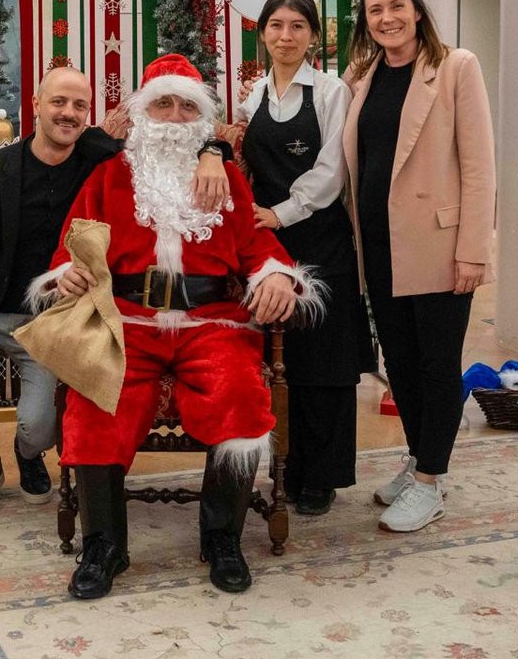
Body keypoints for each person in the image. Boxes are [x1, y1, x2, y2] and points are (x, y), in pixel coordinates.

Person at [33, 54, 321, 598]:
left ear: (201, 118)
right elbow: (72, 247)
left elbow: (259, 247)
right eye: (161, 103)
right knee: (98, 400)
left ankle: (221, 539)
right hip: (128, 321)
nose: (172, 115)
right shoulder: (109, 174)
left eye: (185, 105)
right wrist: (68, 275)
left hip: (212, 322)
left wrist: (277, 277)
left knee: (239, 393)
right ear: (143, 112)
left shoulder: (227, 177)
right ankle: (104, 546)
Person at [0, 65, 232, 521]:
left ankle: (29, 455)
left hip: (55, 316)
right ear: (36, 107)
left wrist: (213, 150)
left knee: (39, 425)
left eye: (79, 106)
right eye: (58, 103)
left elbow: (167, 141)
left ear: (89, 113)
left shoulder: (100, 158)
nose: (68, 113)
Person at [342, 0, 496, 534]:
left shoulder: (456, 67)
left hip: (438, 242)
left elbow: (479, 168)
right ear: (366, 21)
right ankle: (417, 456)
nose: (387, 18)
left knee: (436, 364)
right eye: (375, 10)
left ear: (417, 9)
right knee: (399, 363)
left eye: (396, 6)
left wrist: (473, 250)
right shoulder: (363, 74)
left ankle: (433, 479)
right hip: (379, 246)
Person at [238, 0, 374, 516]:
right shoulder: (253, 95)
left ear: (314, 36)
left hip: (319, 237)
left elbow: (331, 170)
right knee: (283, 363)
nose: (286, 36)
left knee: (326, 363)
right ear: (263, 33)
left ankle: (323, 475)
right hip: (268, 247)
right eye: (276, 25)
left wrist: (282, 211)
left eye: (298, 26)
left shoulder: (331, 92)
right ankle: (288, 468)